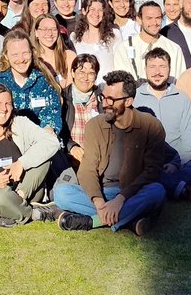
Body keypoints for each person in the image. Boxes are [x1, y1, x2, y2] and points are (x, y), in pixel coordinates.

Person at [54, 70, 170, 235]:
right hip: (104, 191)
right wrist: (100, 203)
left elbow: (152, 172)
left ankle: (92, 221)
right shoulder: (94, 125)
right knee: (61, 193)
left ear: (128, 101)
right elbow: (87, 170)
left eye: (111, 99)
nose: (105, 104)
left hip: (133, 192)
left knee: (157, 191)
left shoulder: (151, 126)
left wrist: (121, 199)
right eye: (103, 97)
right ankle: (131, 220)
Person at [0, 84, 61, 226]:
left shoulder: (19, 123)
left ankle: (14, 205)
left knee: (44, 159)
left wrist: (21, 163)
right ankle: (34, 213)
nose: (3, 109)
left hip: (25, 189)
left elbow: (52, 142)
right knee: (0, 196)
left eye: (8, 104)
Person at [134, 48, 191, 198]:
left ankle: (162, 184)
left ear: (169, 69)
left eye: (162, 66)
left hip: (176, 161)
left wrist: (175, 164)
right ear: (145, 69)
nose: (157, 72)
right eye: (152, 67)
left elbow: (190, 137)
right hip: (145, 162)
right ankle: (182, 190)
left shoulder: (182, 98)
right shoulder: (135, 98)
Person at [0, 29, 64, 135]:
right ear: (6, 56)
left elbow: (52, 113)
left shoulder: (43, 81)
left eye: (25, 53)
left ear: (32, 53)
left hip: (39, 140)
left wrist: (48, 129)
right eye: (15, 55)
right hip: (7, 139)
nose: (21, 59)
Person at [112, 1, 183, 81]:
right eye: (149, 18)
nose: (154, 23)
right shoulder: (124, 48)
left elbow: (180, 82)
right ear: (139, 19)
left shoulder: (174, 49)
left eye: (158, 18)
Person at [71, 0, 123, 80]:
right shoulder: (74, 37)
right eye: (92, 9)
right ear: (84, 11)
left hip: (107, 87)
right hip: (84, 86)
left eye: (100, 10)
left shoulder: (114, 35)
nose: (96, 14)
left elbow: (120, 64)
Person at [62, 54, 101, 165]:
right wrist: (71, 147)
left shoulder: (102, 99)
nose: (85, 78)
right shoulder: (63, 98)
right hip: (70, 158)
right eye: (81, 72)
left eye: (91, 73)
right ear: (73, 73)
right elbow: (57, 132)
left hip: (98, 158)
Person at [32, 13, 76, 88]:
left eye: (53, 29)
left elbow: (72, 89)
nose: (50, 33)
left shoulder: (69, 56)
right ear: (36, 32)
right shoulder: (31, 58)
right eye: (45, 29)